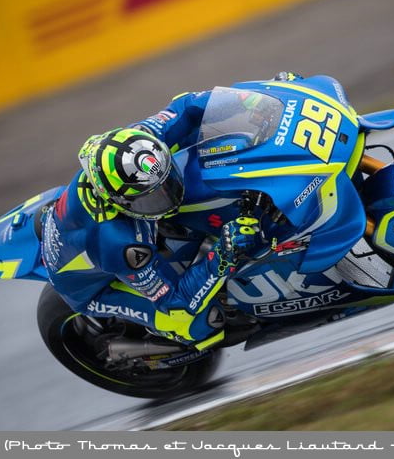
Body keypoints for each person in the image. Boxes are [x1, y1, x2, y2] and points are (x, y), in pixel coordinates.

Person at [41, 72, 303, 350]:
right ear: (118, 201)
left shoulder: (140, 143)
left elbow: (188, 105)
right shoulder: (117, 242)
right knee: (195, 325)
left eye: (165, 185)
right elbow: (175, 301)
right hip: (92, 288)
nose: (166, 197)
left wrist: (256, 101)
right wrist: (222, 256)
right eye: (150, 198)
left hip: (103, 225)